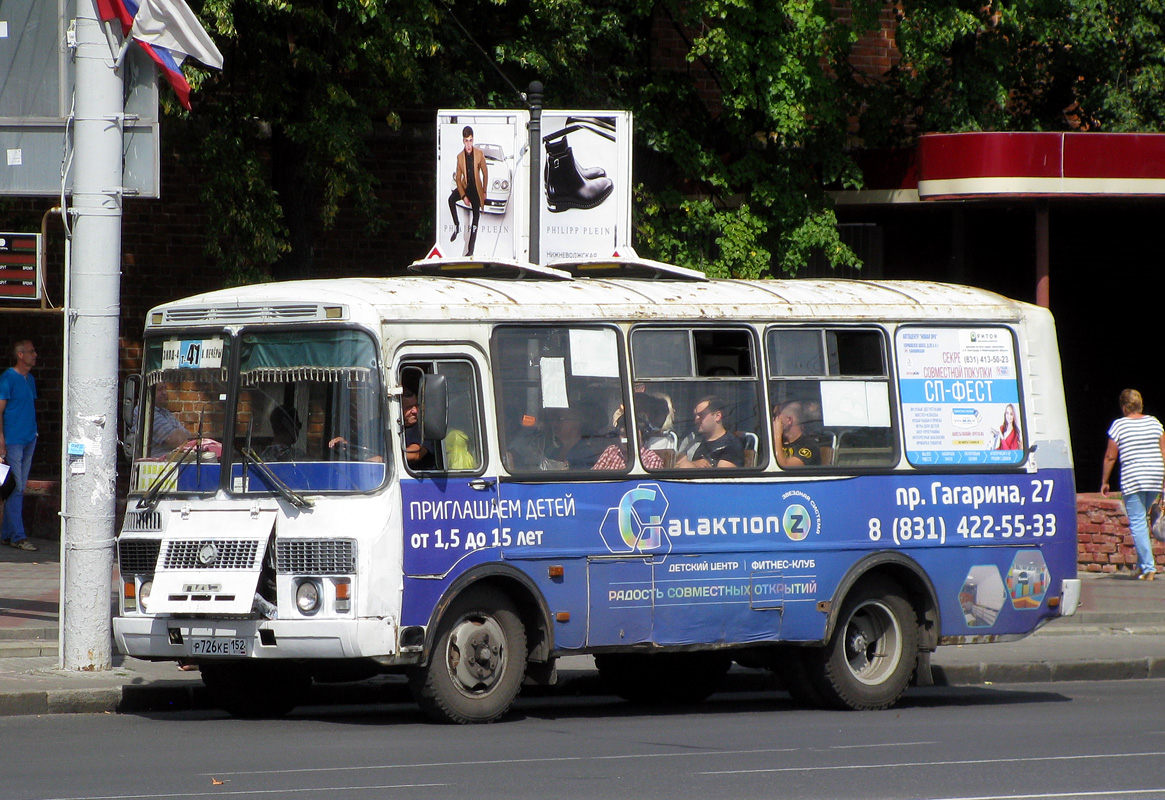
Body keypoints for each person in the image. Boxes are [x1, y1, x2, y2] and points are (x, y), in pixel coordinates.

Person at [1101, 389, 1165, 580]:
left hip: (1134, 478)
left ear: (1123, 406)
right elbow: (1163, 452)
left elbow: (1111, 456)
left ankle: (1148, 567)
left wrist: (1105, 481)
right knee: (1142, 522)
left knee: (1137, 522)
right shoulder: (1155, 423)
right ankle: (1140, 566)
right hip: (1154, 477)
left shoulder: (1119, 426)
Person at [0, 339, 39, 551]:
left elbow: (29, 405)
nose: (35, 355)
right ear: (20, 355)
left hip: (28, 437)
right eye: (31, 352)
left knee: (18, 487)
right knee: (16, 488)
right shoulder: (8, 378)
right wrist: (1, 439)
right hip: (13, 439)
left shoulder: (29, 379)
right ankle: (18, 536)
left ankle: (7, 534)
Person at [448, 126, 488, 257]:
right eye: (466, 141)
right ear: (463, 141)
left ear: (473, 140)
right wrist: (463, 195)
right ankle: (457, 225)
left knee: (476, 216)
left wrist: (484, 191)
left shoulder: (479, 154)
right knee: (451, 199)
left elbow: (485, 173)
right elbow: (458, 179)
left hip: (476, 188)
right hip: (466, 186)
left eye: (470, 140)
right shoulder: (460, 157)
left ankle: (471, 249)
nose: (469, 144)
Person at [676, 396, 744, 469]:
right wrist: (694, 464)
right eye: (695, 415)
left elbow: (723, 477)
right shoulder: (694, 441)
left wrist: (691, 466)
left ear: (717, 416)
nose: (696, 419)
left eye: (701, 415)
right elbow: (676, 466)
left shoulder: (731, 445)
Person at [149, 384, 194, 457]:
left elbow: (188, 439)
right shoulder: (147, 413)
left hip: (174, 460)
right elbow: (178, 440)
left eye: (165, 388)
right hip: (157, 463)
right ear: (149, 392)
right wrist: (178, 434)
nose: (164, 392)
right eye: (160, 389)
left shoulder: (165, 412)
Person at [773, 401, 821, 467]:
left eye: (776, 416)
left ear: (789, 420)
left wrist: (777, 435)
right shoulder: (777, 442)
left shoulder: (809, 446)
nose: (773, 420)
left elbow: (785, 466)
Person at [402, 387, 437, 470]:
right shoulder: (378, 426)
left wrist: (384, 459)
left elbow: (414, 454)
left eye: (416, 406)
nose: (415, 411)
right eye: (409, 407)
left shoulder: (425, 427)